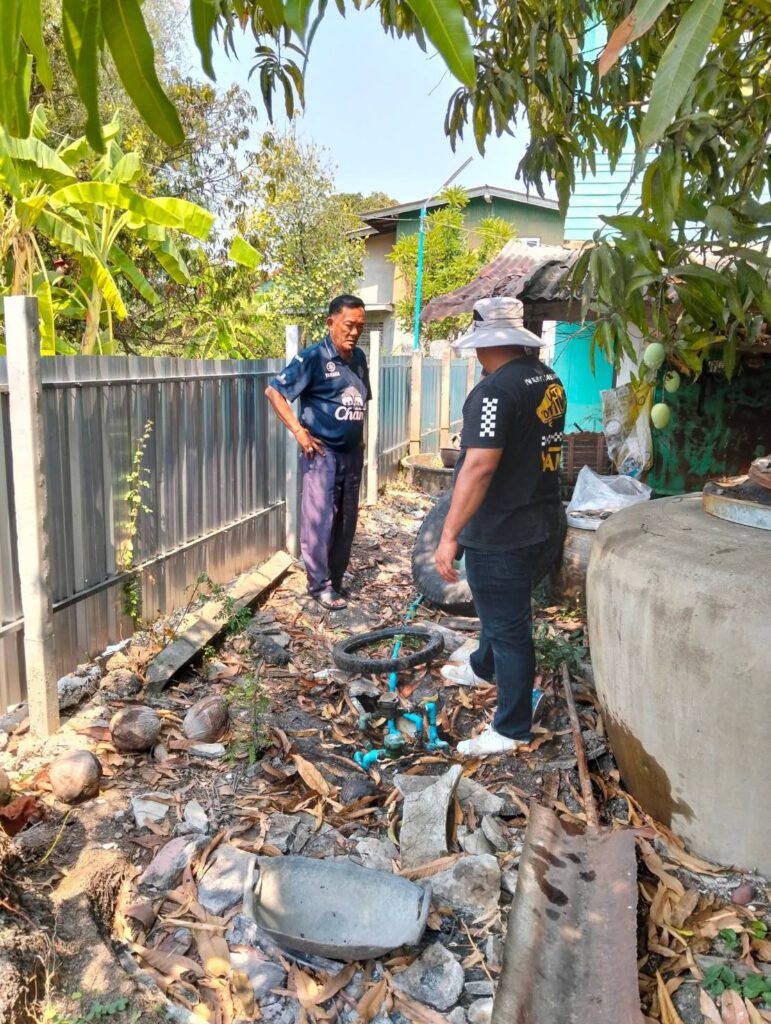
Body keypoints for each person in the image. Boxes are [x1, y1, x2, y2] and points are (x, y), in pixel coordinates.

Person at [434, 297, 566, 757]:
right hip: (544, 519)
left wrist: (448, 535)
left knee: (510, 629)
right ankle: (482, 667)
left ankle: (511, 728)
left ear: (482, 341)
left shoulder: (493, 392)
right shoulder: (546, 377)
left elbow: (479, 467)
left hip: (504, 531)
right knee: (499, 610)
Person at [265, 295, 371, 610]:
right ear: (330, 323)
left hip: (352, 455)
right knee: (320, 521)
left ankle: (335, 580)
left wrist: (360, 439)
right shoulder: (313, 357)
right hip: (323, 454)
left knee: (346, 522)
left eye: (360, 327)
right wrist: (299, 433)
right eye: (349, 325)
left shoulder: (359, 358)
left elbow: (361, 402)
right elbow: (274, 391)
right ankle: (319, 586)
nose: (354, 332)